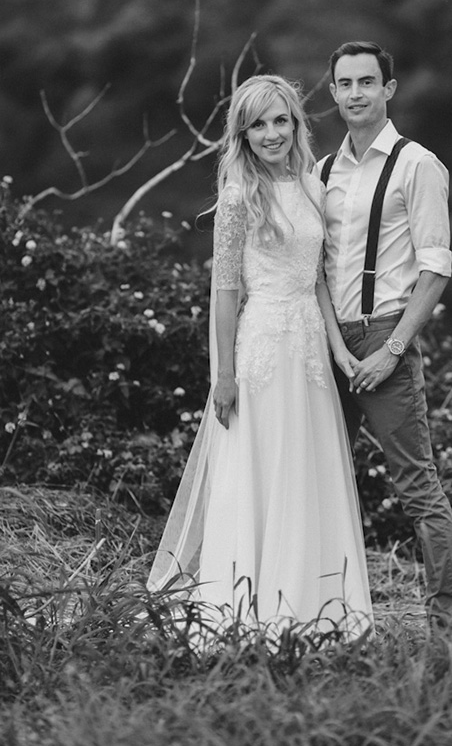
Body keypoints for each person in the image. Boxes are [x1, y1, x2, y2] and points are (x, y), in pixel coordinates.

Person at [147, 74, 373, 642]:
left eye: (281, 121)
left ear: (296, 125)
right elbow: (224, 293)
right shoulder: (237, 198)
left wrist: (338, 348)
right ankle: (246, 611)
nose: (272, 133)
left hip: (310, 352)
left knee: (307, 472)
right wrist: (222, 374)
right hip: (263, 348)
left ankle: (312, 609)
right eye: (258, 124)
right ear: (242, 134)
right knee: (261, 471)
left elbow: (317, 280)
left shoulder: (311, 186)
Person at [319, 41, 452, 635]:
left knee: (416, 485)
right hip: (328, 343)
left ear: (389, 89)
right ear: (333, 92)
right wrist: (333, 346)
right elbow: (315, 269)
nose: (356, 93)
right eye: (345, 83)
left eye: (367, 82)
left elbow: (436, 269)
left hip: (387, 333)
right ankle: (327, 614)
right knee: (322, 479)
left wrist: (393, 348)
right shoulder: (321, 171)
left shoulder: (417, 165)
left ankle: (446, 627)